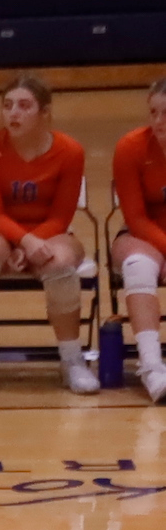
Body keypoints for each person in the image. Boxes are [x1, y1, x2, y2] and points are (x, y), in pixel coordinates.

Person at [0, 74, 96, 394]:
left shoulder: (70, 151)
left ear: (44, 112)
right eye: (7, 105)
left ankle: (72, 360)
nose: (13, 113)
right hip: (3, 233)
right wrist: (24, 242)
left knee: (60, 263)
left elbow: (61, 216)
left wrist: (32, 244)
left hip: (52, 232)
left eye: (24, 106)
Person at [112, 75, 166, 403]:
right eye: (153, 113)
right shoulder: (131, 147)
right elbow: (135, 218)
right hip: (141, 234)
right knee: (138, 265)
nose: (158, 121)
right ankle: (152, 367)